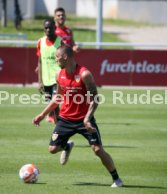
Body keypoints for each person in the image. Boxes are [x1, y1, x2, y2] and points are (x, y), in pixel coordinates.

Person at [32, 45, 123, 188]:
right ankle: (66, 146)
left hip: (84, 120)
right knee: (52, 149)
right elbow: (58, 98)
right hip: (65, 119)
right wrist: (42, 114)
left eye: (57, 57)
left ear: (65, 57)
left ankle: (117, 179)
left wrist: (87, 118)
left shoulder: (84, 74)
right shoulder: (59, 75)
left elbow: (95, 98)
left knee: (98, 150)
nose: (55, 59)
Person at [36, 19, 64, 124]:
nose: (48, 30)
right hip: (46, 80)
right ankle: (60, 133)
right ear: (43, 29)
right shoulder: (40, 42)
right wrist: (39, 81)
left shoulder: (59, 41)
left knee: (55, 105)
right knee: (52, 107)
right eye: (46, 28)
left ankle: (60, 134)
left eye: (50, 27)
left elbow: (65, 59)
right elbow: (40, 62)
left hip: (57, 79)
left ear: (55, 28)